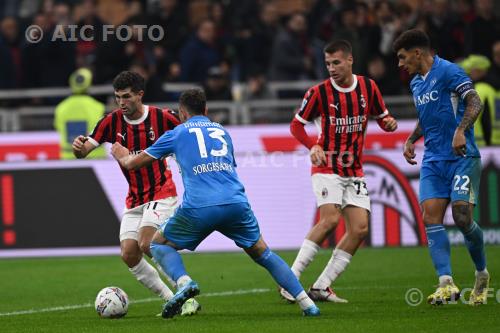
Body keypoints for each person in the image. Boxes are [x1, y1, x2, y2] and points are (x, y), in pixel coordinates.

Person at [110, 88, 320, 318]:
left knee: (157, 244)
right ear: (206, 110)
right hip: (235, 203)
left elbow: (133, 164)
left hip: (199, 207)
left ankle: (184, 282)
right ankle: (307, 303)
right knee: (263, 252)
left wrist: (121, 153)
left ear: (181, 113)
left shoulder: (177, 133)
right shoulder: (222, 131)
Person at [71, 71, 200, 315]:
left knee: (146, 241)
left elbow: (196, 132)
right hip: (135, 198)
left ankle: (184, 287)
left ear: (140, 94)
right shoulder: (110, 122)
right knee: (129, 253)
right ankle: (174, 298)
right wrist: (78, 147)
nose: (121, 102)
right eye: (118, 97)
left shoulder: (163, 118)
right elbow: (85, 149)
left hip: (162, 191)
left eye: (127, 97)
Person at [282, 39, 398, 303]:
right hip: (326, 165)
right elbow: (296, 126)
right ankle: (289, 281)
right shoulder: (318, 93)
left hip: (354, 169)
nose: (331, 68)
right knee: (330, 220)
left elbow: (382, 117)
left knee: (359, 229)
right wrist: (313, 146)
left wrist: (388, 123)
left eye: (336, 62)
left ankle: (322, 286)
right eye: (327, 63)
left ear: (350, 60)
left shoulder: (369, 87)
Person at [393, 29, 489, 305]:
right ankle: (446, 284)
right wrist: (412, 138)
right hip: (433, 161)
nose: (400, 64)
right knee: (430, 217)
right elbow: (427, 117)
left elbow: (475, 101)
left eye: (402, 57)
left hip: (462, 157)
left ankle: (481, 273)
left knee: (461, 217)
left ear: (417, 52)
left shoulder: (450, 72)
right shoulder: (416, 83)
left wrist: (461, 130)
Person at [54, 68, 106, 159]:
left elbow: (58, 128)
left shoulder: (60, 108)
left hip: (69, 160)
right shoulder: (99, 107)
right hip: (95, 159)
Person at [460, 54, 500, 146]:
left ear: (480, 70)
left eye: (471, 70)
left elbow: (485, 118)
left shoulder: (479, 90)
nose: (469, 73)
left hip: (482, 144)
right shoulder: (493, 88)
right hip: (494, 141)